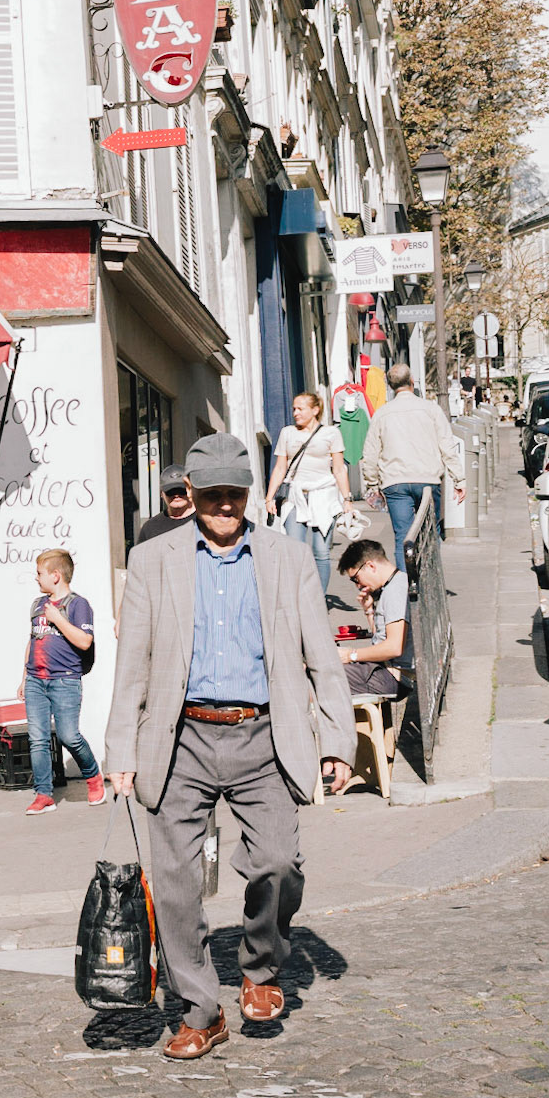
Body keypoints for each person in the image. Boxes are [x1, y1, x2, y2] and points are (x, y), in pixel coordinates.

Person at [105, 432, 356, 1061]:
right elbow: (131, 666)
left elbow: (321, 658)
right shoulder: (153, 560)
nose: (223, 505)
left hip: (264, 735)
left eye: (233, 495)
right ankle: (199, 1010)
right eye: (211, 494)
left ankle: (260, 968)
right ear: (189, 494)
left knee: (277, 864)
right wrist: (120, 754)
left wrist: (336, 741)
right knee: (176, 882)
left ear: (248, 495)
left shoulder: (288, 558)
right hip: (181, 738)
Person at [17, 548, 103, 815]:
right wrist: (24, 678)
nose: (36, 578)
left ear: (55, 576)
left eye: (40, 573)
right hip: (36, 680)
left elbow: (84, 641)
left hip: (65, 681)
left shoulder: (78, 605)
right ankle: (44, 795)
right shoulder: (37, 605)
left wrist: (57, 619)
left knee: (68, 736)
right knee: (38, 739)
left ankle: (93, 775)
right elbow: (33, 640)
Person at [362, 362, 466, 557]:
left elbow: (370, 453)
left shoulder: (381, 414)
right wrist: (459, 479)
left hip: (394, 483)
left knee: (403, 536)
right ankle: (430, 582)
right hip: (427, 480)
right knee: (429, 535)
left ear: (390, 387)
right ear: (412, 382)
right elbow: (447, 446)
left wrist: (372, 485)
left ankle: (406, 584)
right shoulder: (430, 409)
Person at [263, 391, 355, 591]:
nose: (295, 413)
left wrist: (347, 499)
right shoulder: (287, 433)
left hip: (324, 495)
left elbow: (339, 469)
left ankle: (318, 599)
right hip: (295, 496)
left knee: (321, 552)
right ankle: (299, 597)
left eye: (300, 408)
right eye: (294, 408)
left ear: (315, 410)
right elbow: (280, 468)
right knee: (295, 549)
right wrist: (270, 497)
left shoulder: (331, 433)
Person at [336, 539, 409, 698]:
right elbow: (383, 638)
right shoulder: (394, 584)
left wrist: (350, 655)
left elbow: (394, 647)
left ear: (370, 566)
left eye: (356, 578)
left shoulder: (394, 592)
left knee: (323, 675)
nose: (358, 585)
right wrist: (369, 611)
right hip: (389, 671)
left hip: (393, 677)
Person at [134, 464, 196, 544]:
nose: (176, 495)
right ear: (161, 493)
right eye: (171, 491)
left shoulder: (205, 521)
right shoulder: (150, 528)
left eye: (181, 490)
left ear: (190, 490)